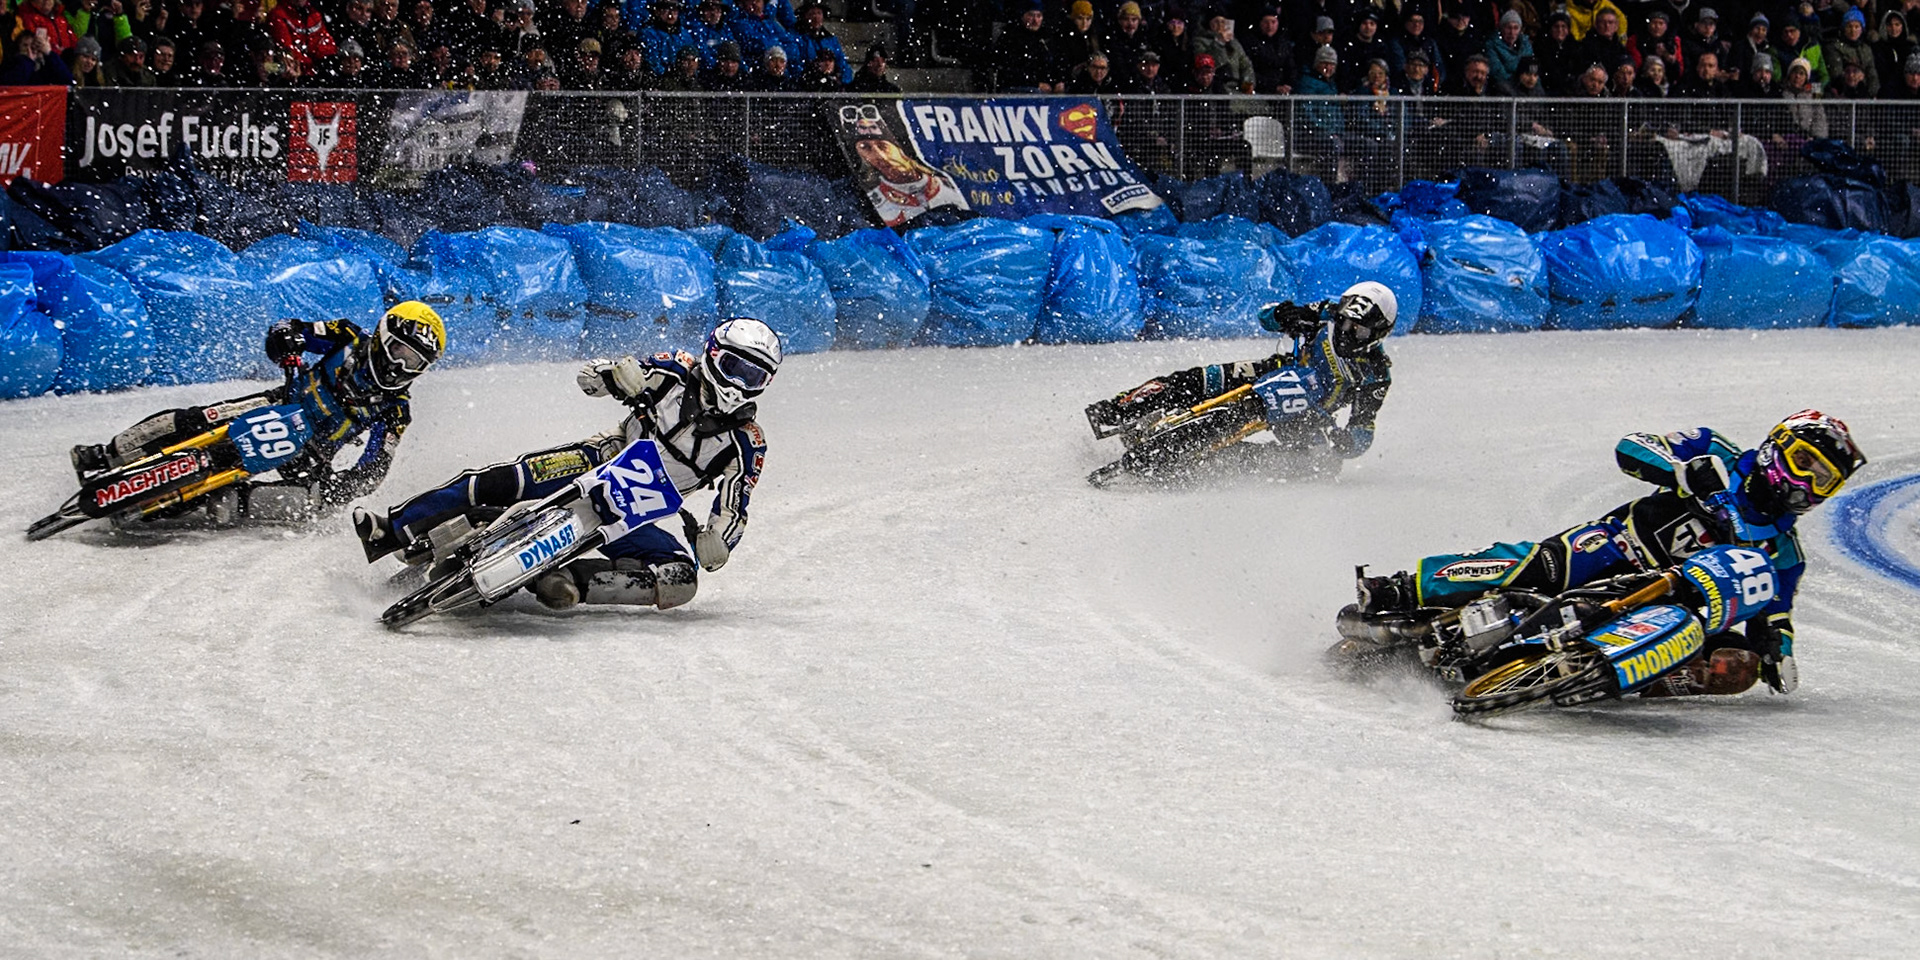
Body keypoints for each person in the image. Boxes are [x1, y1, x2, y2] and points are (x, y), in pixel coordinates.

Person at [1353, 411, 1868, 697]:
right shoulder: (1718, 452)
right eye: (1804, 463)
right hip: (1618, 546)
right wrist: (1679, 472)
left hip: (1674, 603)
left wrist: (1777, 649)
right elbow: (1634, 445)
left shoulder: (1785, 553)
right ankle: (1401, 587)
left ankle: (1617, 675)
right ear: (1778, 446)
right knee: (1535, 564)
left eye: (1825, 480)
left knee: (1738, 665)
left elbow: (1775, 612)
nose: (1806, 485)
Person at [354, 318, 780, 613]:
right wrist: (613, 375)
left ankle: (563, 580)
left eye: (753, 377)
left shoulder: (748, 444)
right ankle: (390, 528)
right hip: (602, 457)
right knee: (504, 480)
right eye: (733, 368)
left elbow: (734, 506)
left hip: (641, 511)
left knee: (680, 578)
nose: (738, 385)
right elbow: (592, 377)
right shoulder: (674, 371)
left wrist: (718, 541)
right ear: (711, 355)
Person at [70, 303, 445, 526]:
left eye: (414, 362)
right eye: (399, 350)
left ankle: (191, 503)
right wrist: (287, 340)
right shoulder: (346, 335)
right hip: (280, 404)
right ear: (381, 336)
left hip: (309, 456)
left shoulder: (396, 411)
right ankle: (110, 453)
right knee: (193, 420)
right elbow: (291, 329)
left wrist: (338, 490)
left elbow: (375, 466)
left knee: (299, 504)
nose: (399, 365)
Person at [1085, 282, 1397, 472]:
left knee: (1319, 469)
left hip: (1309, 415)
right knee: (1201, 379)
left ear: (1379, 333)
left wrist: (1346, 444)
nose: (1346, 332)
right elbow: (1266, 316)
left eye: (1359, 330)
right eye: (1344, 322)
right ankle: (1118, 409)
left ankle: (1211, 466)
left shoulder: (1377, 376)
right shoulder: (1327, 310)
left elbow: (1363, 431)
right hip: (1278, 369)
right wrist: (1284, 314)